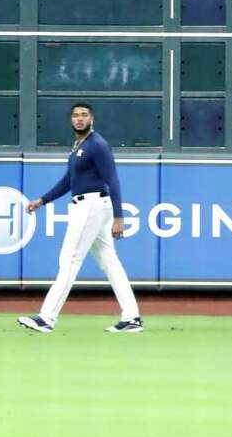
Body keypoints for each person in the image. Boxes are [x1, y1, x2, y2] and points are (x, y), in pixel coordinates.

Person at [18, 102, 142, 333]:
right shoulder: (79, 145)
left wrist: (119, 217)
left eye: (84, 115)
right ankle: (132, 317)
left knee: (70, 259)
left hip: (92, 205)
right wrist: (43, 200)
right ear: (71, 119)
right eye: (75, 115)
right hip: (90, 205)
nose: (79, 118)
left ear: (91, 119)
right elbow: (68, 181)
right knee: (110, 262)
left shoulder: (97, 144)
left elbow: (113, 180)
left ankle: (46, 318)